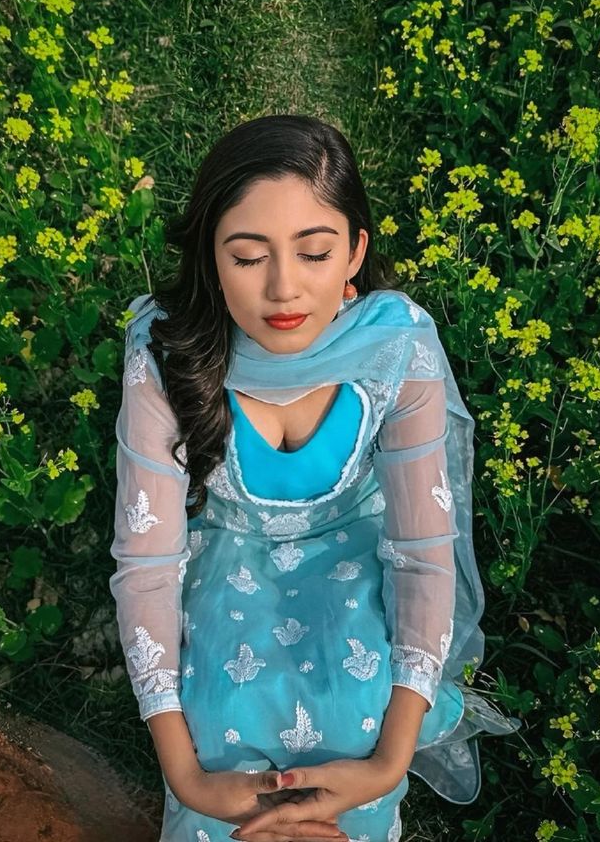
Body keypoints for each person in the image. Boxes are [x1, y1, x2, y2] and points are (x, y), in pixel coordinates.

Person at [109, 115, 520, 842]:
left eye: (314, 252)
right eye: (246, 257)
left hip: (353, 552)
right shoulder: (167, 350)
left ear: (355, 250)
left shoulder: (394, 349)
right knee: (222, 703)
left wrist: (388, 763)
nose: (283, 288)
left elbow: (423, 553)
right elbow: (146, 566)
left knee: (353, 701)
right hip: (225, 552)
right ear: (210, 258)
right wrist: (190, 779)